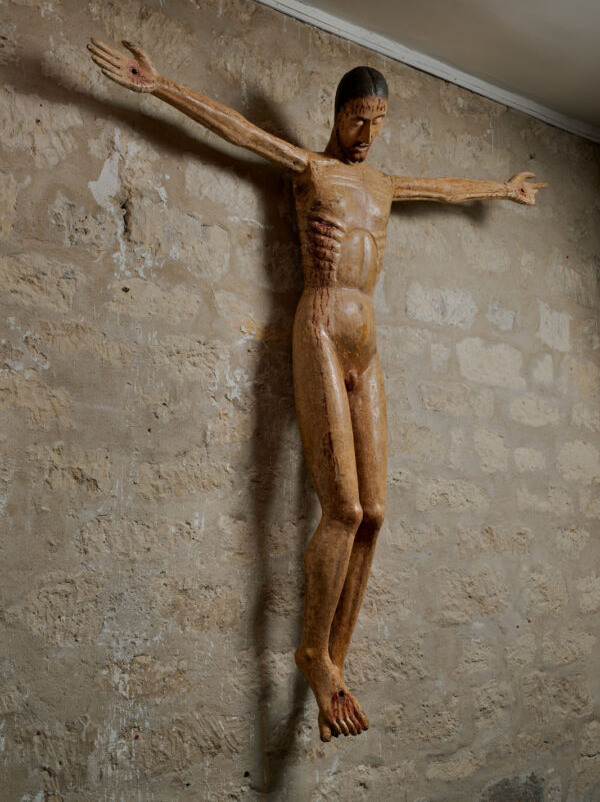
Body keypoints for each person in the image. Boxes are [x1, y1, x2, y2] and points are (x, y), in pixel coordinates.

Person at [88, 39, 546, 741]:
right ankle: (310, 653)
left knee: (376, 514)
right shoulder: (312, 169)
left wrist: (502, 191)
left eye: (378, 122)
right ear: (337, 114)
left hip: (369, 338)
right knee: (344, 507)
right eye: (358, 119)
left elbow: (444, 189)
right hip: (323, 323)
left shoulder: (384, 185)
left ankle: (335, 658)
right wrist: (160, 85)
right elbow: (240, 132)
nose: (368, 134)